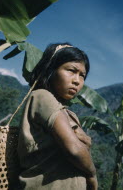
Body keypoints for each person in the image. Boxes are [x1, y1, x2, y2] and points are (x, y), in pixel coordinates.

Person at [17, 42, 98, 190]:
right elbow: (74, 149)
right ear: (51, 69)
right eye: (71, 70)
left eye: (82, 76)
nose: (77, 81)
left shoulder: (66, 111)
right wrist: (92, 174)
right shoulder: (42, 96)